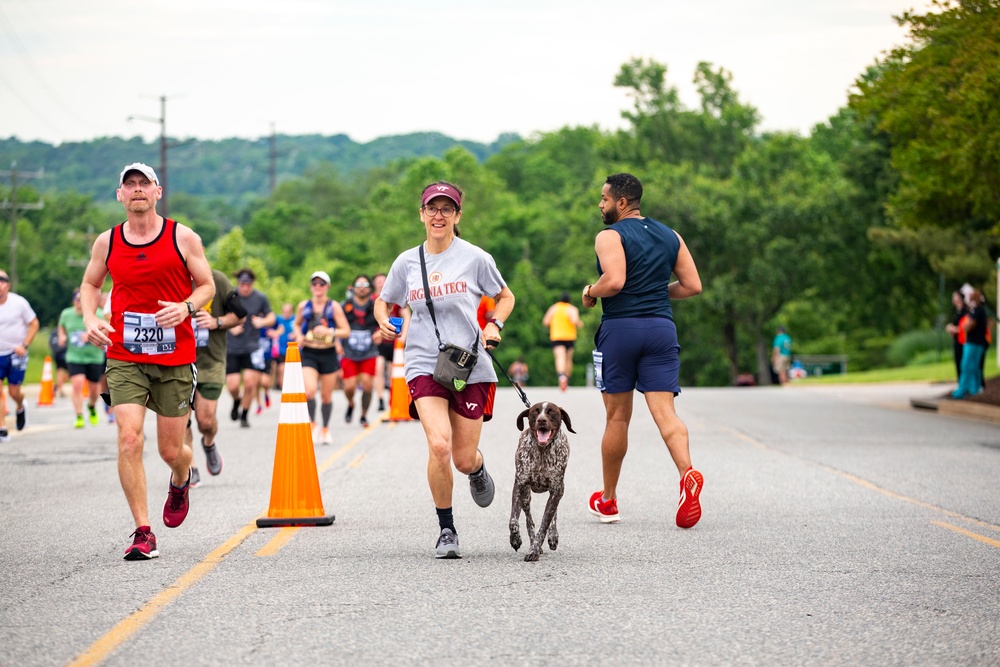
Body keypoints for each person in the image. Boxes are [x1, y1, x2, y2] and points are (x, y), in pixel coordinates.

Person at [80, 162, 215, 560]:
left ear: (158, 192)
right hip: (124, 352)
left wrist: (186, 307)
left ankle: (181, 478)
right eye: (130, 185)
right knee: (128, 437)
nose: (137, 189)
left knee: (172, 451)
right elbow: (90, 284)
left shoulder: (183, 237)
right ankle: (143, 532)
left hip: (174, 354)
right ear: (120, 195)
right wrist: (90, 317)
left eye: (144, 183)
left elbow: (206, 285)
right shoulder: (108, 242)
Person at [375, 180, 515, 559]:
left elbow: (505, 296)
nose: (439, 215)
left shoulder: (475, 258)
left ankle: (478, 469)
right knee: (439, 445)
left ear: (457, 216)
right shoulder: (406, 262)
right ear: (421, 214)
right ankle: (447, 529)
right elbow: (384, 300)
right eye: (432, 209)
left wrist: (494, 324)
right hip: (423, 361)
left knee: (462, 457)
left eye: (446, 209)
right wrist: (384, 321)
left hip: (470, 364)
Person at [582, 172, 703, 528]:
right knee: (666, 413)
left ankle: (608, 500)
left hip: (620, 330)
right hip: (661, 329)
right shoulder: (671, 235)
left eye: (604, 199)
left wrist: (590, 290)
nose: (600, 205)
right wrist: (654, 292)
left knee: (617, 418)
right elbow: (692, 285)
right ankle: (687, 474)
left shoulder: (609, 235)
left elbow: (615, 281)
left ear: (621, 202)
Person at [185, 268, 246, 486]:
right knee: (181, 419)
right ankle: (189, 466)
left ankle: (209, 442)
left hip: (211, 362)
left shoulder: (217, 279)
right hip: (179, 361)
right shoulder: (170, 276)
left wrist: (216, 322)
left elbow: (241, 314)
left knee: (206, 420)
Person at [293, 270, 349, 445]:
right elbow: (296, 323)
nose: (318, 287)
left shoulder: (334, 307)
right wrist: (298, 336)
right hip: (309, 353)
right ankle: (312, 423)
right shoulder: (304, 306)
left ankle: (325, 427)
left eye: (322, 284)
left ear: (327, 287)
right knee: (309, 391)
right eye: (315, 284)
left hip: (328, 354)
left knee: (326, 396)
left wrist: (329, 331)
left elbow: (346, 331)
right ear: (311, 286)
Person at [225, 268, 275, 428]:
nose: (245, 288)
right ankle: (236, 401)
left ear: (252, 283)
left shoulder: (260, 297)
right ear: (238, 283)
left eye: (248, 285)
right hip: (232, 347)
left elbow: (271, 317)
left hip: (252, 347)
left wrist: (263, 322)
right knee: (232, 385)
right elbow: (218, 316)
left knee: (249, 384)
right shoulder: (230, 295)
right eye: (242, 284)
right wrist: (230, 327)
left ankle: (245, 415)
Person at [0, 267, 40, 442]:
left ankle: (20, 406)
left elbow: (34, 323)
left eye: (1, 281)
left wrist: (25, 345)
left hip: (17, 353)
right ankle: (2, 427)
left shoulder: (19, 302)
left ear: (8, 285)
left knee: (14, 391)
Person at [57, 289, 106, 428]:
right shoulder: (66, 314)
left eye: (81, 301)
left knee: (94, 389)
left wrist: (93, 333)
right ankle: (79, 415)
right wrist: (61, 335)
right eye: (76, 301)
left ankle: (91, 406)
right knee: (77, 383)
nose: (79, 304)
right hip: (74, 356)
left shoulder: (98, 314)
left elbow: (107, 329)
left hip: (94, 357)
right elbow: (61, 326)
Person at [341, 274, 382, 428]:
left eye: (365, 285)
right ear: (353, 288)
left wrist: (381, 331)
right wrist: (337, 344)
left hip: (369, 351)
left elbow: (386, 319)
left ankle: (363, 415)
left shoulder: (375, 305)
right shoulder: (345, 306)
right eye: (359, 285)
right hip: (349, 352)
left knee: (367, 383)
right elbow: (336, 324)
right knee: (349, 386)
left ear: (370, 288)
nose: (362, 288)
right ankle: (351, 403)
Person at [952, 289, 988, 399]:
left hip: (973, 343)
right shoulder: (979, 311)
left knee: (966, 365)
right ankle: (975, 388)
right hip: (979, 342)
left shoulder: (977, 311)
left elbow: (968, 326)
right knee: (974, 366)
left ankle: (963, 389)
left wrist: (964, 326)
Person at [542, 292, 583, 391]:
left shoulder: (554, 308)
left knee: (560, 357)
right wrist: (580, 324)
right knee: (568, 359)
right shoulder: (572, 309)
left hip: (557, 336)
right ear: (569, 300)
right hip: (569, 337)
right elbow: (574, 321)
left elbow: (545, 322)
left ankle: (561, 377)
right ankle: (567, 379)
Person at [945, 290, 968, 381]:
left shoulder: (965, 311)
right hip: (957, 340)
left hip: (963, 341)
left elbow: (964, 327)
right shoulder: (957, 312)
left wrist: (955, 329)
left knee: (963, 362)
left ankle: (964, 383)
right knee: (958, 362)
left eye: (954, 297)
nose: (953, 299)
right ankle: (960, 382)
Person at [272, 303, 295, 390]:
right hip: (281, 349)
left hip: (293, 349)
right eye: (285, 311)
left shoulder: (295, 320)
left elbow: (301, 329)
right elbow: (270, 329)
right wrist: (275, 332)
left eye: (288, 311)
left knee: (293, 369)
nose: (286, 313)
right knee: (281, 368)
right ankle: (283, 387)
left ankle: (291, 386)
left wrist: (296, 334)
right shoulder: (278, 320)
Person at [49, 325, 69, 398]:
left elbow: (50, 343)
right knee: (70, 372)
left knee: (59, 372)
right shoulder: (67, 330)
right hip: (65, 355)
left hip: (57, 355)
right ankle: (59, 388)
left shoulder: (54, 331)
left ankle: (58, 387)